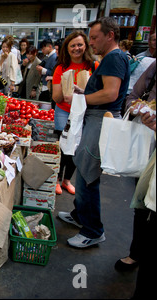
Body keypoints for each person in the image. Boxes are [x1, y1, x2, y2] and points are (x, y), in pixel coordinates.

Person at [58, 17, 130, 248]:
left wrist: (81, 98)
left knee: (88, 175)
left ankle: (93, 230)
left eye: (95, 38)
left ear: (110, 35)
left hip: (101, 120)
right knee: (83, 166)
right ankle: (80, 215)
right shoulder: (111, 58)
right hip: (97, 119)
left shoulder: (114, 58)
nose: (91, 43)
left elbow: (110, 94)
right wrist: (84, 91)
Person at [114, 60, 155, 288]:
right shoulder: (154, 68)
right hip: (147, 145)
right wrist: (140, 108)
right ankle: (136, 252)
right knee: (141, 203)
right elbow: (132, 96)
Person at [52, 30, 98, 196]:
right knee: (64, 146)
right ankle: (57, 180)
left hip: (85, 113)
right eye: (72, 46)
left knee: (77, 147)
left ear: (85, 46)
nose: (76, 48)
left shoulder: (93, 66)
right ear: (67, 48)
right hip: (64, 111)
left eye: (79, 44)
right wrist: (64, 93)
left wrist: (81, 95)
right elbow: (56, 97)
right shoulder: (61, 68)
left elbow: (99, 91)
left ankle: (67, 180)